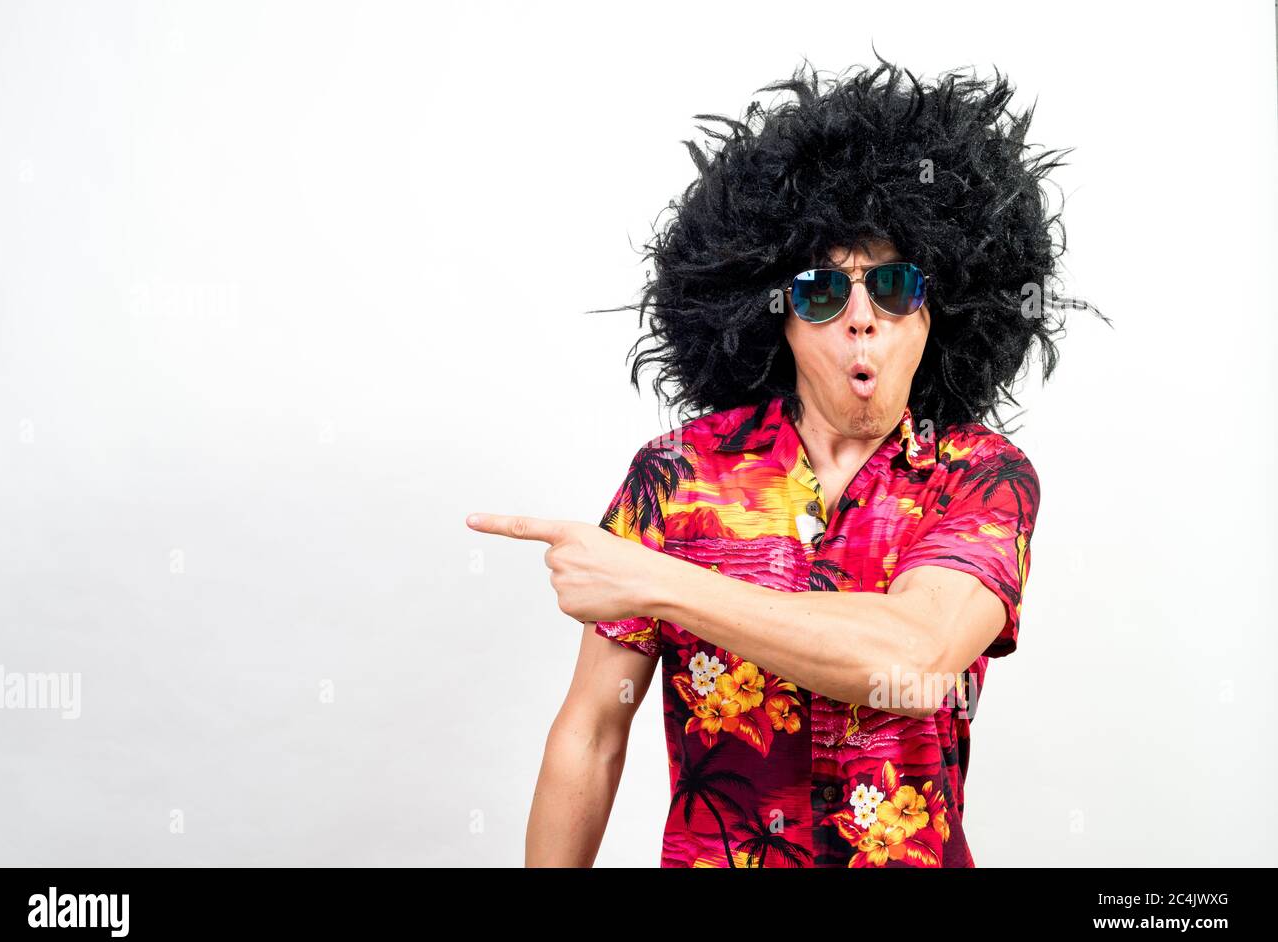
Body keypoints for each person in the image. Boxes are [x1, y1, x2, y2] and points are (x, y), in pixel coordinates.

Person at [467, 57, 1106, 867]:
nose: (861, 319)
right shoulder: (676, 477)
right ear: (779, 319)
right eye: (822, 293)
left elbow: (912, 650)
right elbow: (592, 733)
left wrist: (654, 579)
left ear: (936, 312)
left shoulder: (980, 475)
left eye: (895, 286)